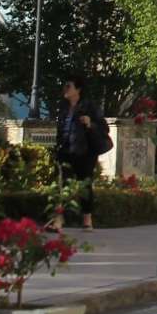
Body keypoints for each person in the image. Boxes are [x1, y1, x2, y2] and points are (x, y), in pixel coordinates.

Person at [54, 75, 106, 232]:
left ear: (78, 90)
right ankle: (58, 219)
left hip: (84, 153)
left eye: (69, 86)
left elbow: (103, 127)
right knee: (61, 185)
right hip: (65, 150)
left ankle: (87, 220)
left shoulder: (89, 106)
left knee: (85, 185)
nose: (65, 89)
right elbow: (61, 128)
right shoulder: (63, 107)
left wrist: (90, 123)